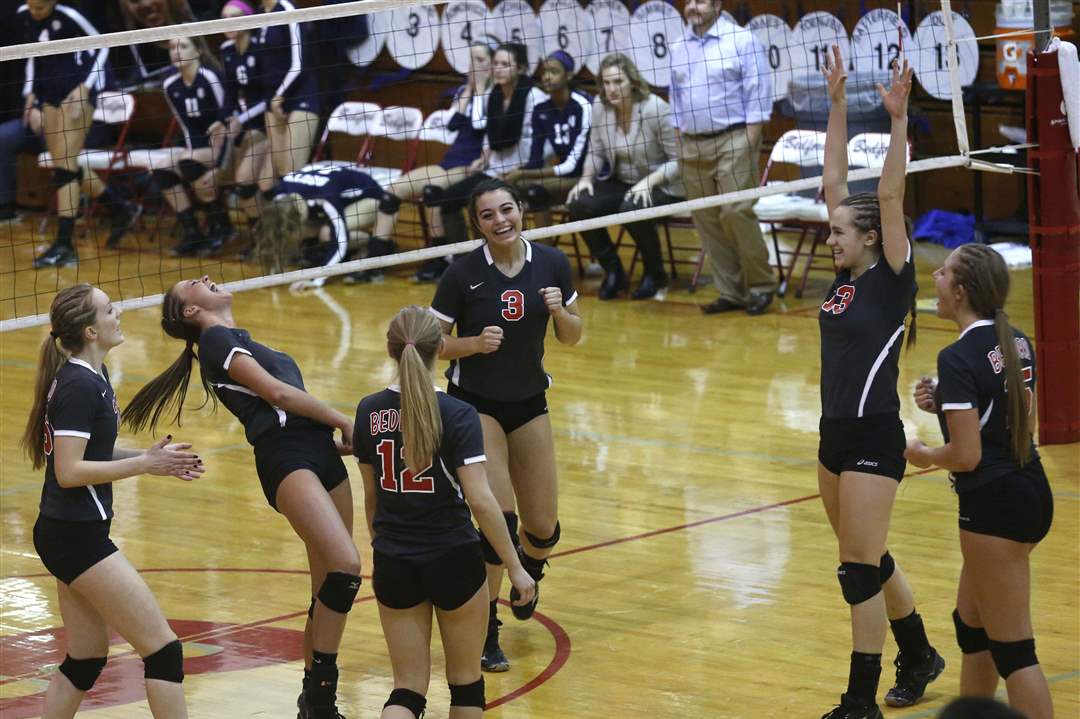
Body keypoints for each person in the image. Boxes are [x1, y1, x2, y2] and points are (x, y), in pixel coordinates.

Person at [122, 276, 362, 719]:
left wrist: (330, 431)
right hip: (287, 456)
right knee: (347, 567)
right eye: (195, 283)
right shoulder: (215, 341)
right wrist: (345, 420)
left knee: (326, 587)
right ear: (190, 311)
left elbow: (284, 396)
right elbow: (278, 394)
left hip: (319, 450)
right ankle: (322, 697)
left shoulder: (236, 338)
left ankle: (313, 704)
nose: (207, 279)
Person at [816, 47, 942, 719]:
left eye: (839, 230)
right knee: (866, 555)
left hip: (873, 435)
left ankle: (860, 698)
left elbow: (887, 192)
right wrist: (836, 104)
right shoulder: (844, 275)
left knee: (857, 569)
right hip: (831, 436)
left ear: (870, 238)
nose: (829, 235)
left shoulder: (892, 278)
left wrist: (898, 122)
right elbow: (836, 179)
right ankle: (919, 651)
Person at [19, 283, 203, 718]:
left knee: (85, 658)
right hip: (74, 536)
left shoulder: (93, 376)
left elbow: (90, 456)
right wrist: (144, 466)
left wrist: (150, 458)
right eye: (108, 310)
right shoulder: (79, 386)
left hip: (70, 530)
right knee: (164, 651)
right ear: (89, 330)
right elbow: (69, 472)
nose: (117, 314)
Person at [354, 306, 537, 719]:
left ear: (391, 350)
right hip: (452, 555)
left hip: (394, 558)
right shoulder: (458, 414)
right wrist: (516, 566)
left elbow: (371, 497)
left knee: (407, 690)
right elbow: (481, 500)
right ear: (442, 350)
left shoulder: (368, 410)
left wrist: (385, 546)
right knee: (466, 683)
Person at [429, 178, 582, 672]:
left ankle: (530, 571)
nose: (501, 221)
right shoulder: (462, 274)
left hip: (530, 401)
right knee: (501, 519)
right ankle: (485, 631)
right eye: (489, 215)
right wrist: (470, 345)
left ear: (522, 212)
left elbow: (574, 336)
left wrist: (561, 313)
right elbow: (423, 345)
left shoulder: (553, 262)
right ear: (477, 224)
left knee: (542, 527)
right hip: (474, 405)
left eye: (507, 210)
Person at [906, 243, 1054, 719]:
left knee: (1014, 649)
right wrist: (947, 401)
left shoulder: (958, 355)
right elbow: (1006, 419)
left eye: (944, 273)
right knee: (972, 627)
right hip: (1027, 487)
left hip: (994, 505)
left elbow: (966, 456)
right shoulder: (1016, 339)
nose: (936, 279)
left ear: (963, 290)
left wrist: (921, 453)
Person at [668, 0, 776, 315]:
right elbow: (676, 96)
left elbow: (758, 92)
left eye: (700, 1)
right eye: (688, 1)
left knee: (735, 212)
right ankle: (731, 292)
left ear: (717, 4)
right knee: (706, 220)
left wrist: (749, 142)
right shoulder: (678, 46)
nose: (693, 7)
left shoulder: (741, 40)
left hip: (733, 140)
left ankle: (761, 286)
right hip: (691, 144)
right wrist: (679, 139)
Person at [566, 52, 685, 300]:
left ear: (632, 81)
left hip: (665, 185)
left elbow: (679, 161)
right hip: (624, 182)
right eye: (606, 83)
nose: (611, 89)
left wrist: (648, 183)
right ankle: (614, 271)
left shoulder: (655, 108)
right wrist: (586, 178)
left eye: (618, 82)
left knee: (631, 207)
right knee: (579, 205)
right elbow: (596, 149)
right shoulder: (601, 105)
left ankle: (655, 273)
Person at [427, 44, 547, 263]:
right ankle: (467, 261)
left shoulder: (534, 96)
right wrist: (483, 158)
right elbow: (488, 134)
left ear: (520, 68)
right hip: (493, 172)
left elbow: (543, 142)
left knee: (506, 207)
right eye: (496, 64)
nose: (498, 69)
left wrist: (521, 171)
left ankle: (529, 260)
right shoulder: (494, 94)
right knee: (447, 201)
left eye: (505, 65)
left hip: (522, 173)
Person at [387, 41, 493, 283]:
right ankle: (374, 258)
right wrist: (468, 90)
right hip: (449, 161)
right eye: (471, 60)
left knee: (434, 193)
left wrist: (480, 90)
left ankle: (442, 258)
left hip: (473, 165)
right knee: (392, 191)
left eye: (479, 60)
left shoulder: (495, 96)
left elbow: (484, 129)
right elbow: (452, 124)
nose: (473, 66)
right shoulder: (464, 92)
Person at [18, 0, 109, 268]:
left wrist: (85, 87)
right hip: (48, 95)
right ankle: (119, 208)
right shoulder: (25, 16)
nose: (36, 14)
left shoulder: (70, 15)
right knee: (64, 168)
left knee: (65, 168)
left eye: (41, 10)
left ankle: (65, 245)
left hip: (76, 94)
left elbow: (104, 45)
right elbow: (31, 56)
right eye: (32, 8)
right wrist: (30, 96)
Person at [254, 161, 397, 287]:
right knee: (306, 230)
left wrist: (316, 280)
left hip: (374, 198)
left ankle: (378, 244)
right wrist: (273, 271)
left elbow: (339, 242)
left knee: (327, 234)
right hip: (338, 196)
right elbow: (274, 230)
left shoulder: (326, 196)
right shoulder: (282, 191)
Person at [157, 36, 235, 257]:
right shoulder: (170, 85)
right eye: (172, 47)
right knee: (162, 168)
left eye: (183, 46)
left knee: (189, 162)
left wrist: (220, 164)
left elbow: (227, 119)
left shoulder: (210, 78)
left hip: (229, 148)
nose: (176, 52)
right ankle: (193, 232)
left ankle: (222, 225)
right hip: (201, 149)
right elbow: (186, 128)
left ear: (198, 51)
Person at [504, 51, 591, 214]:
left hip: (585, 174)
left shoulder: (583, 106)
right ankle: (519, 239)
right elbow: (535, 160)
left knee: (534, 192)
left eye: (554, 72)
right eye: (544, 71)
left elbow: (573, 165)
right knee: (505, 189)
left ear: (569, 76)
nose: (546, 77)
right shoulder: (541, 109)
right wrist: (514, 174)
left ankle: (541, 240)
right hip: (563, 173)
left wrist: (522, 173)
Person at [219, 0, 273, 238]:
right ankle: (260, 236)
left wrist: (242, 117)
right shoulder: (226, 50)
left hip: (266, 121)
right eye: (224, 17)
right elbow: (230, 92)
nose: (228, 22)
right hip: (244, 122)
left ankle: (267, 237)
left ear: (248, 19)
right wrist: (225, 118)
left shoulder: (261, 48)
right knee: (242, 184)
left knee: (248, 180)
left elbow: (269, 95)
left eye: (235, 16)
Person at [255, 0, 321, 178]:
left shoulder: (287, 9)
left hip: (299, 94)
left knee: (293, 170)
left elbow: (299, 63)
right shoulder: (259, 14)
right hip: (272, 98)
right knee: (282, 170)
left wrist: (280, 95)